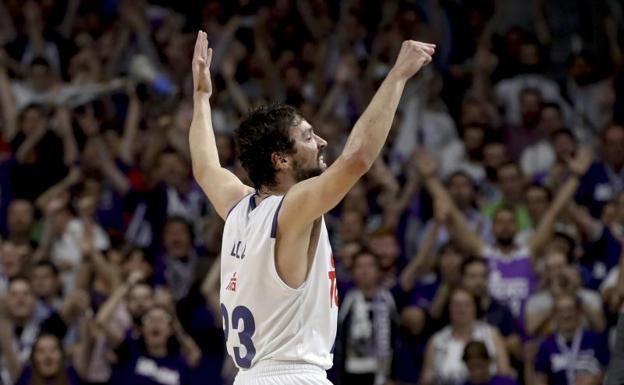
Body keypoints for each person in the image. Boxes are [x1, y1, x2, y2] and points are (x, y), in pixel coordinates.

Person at [188, 31, 435, 384]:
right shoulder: (291, 209)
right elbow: (358, 158)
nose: (320, 142)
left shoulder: (239, 207)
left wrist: (201, 98)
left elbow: (205, 167)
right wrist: (398, 75)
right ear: (280, 160)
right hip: (294, 376)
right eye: (307, 137)